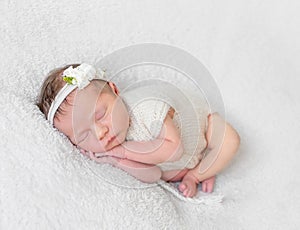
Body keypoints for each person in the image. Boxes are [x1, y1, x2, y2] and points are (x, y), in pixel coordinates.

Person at [37, 63, 240, 198]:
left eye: (100, 115)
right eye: (84, 135)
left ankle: (198, 174)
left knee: (229, 140)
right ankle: (199, 171)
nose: (100, 133)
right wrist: (114, 160)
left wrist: (122, 151)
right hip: (177, 166)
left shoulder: (146, 106)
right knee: (170, 175)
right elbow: (153, 174)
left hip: (202, 130)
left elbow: (174, 149)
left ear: (115, 90)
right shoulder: (107, 148)